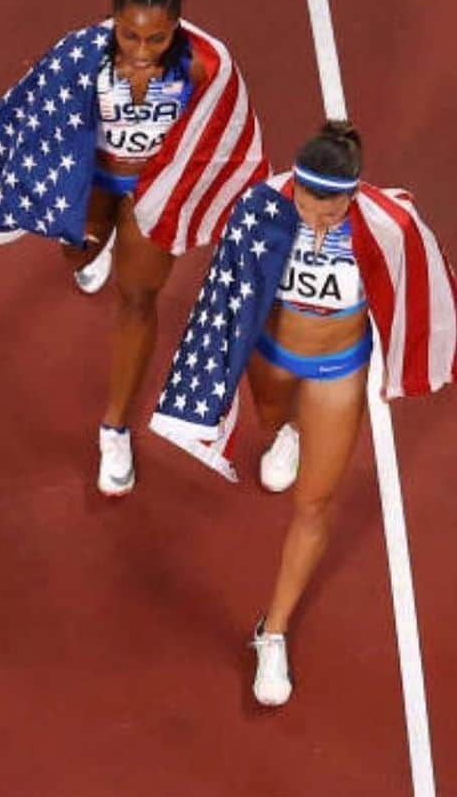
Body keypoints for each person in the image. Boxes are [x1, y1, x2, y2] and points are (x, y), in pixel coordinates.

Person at [0, 0, 267, 495]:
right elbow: (31, 115)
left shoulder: (203, 68)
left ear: (178, 24)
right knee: (76, 250)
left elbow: (226, 136)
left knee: (137, 298)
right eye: (130, 35)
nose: (144, 50)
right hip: (98, 177)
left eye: (157, 36)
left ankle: (116, 428)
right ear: (113, 21)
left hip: (157, 189)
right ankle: (94, 248)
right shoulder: (83, 57)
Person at [149, 121, 456, 706]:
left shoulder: (387, 224)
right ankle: (285, 430)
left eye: (329, 206)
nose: (316, 215)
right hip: (272, 354)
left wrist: (408, 359)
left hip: (337, 370)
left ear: (351, 194)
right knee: (269, 419)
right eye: (308, 202)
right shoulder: (261, 208)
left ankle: (273, 632)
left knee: (313, 505)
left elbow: (425, 280)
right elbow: (226, 287)